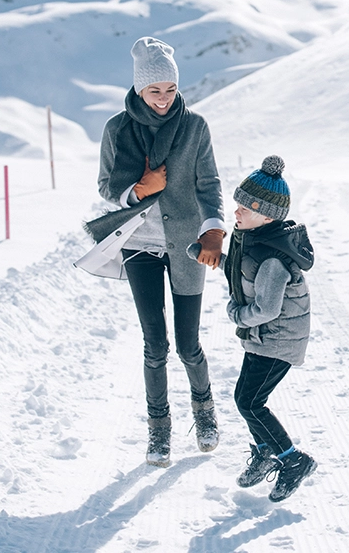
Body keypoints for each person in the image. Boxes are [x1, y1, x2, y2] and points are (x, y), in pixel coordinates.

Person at [76, 37, 225, 468]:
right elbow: (106, 186)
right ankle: (159, 433)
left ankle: (205, 413)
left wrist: (214, 229)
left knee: (188, 344)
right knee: (154, 344)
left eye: (171, 90)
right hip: (139, 243)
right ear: (139, 90)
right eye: (154, 91)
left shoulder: (194, 126)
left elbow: (209, 184)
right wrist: (137, 190)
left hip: (187, 245)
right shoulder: (118, 129)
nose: (163, 99)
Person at [223, 156, 318, 502]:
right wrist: (213, 258)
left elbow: (265, 308)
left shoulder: (273, 259)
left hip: (277, 339)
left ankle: (293, 460)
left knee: (251, 403)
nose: (236, 212)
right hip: (264, 339)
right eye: (237, 205)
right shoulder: (256, 240)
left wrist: (236, 314)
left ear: (266, 215)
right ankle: (265, 452)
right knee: (244, 399)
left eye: (244, 208)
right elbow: (243, 271)